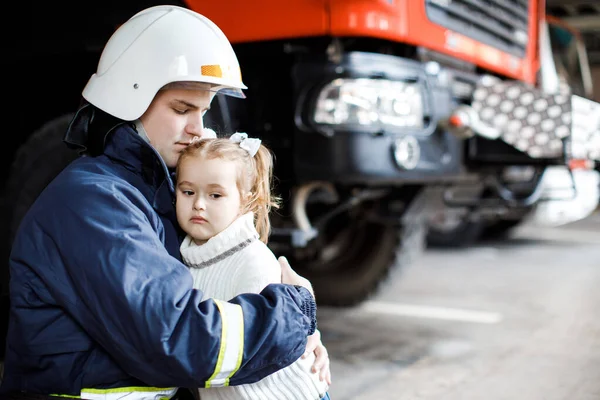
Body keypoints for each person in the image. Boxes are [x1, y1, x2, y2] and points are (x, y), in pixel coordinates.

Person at [0, 5, 330, 399]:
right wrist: (294, 315)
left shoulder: (159, 194)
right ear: (128, 98)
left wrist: (302, 340)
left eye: (203, 111)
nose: (199, 129)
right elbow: (184, 340)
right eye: (181, 109)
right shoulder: (94, 204)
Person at [175, 134, 331, 400]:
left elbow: (264, 343)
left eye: (215, 195)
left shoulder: (253, 261)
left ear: (245, 200)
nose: (198, 204)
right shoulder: (185, 254)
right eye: (188, 192)